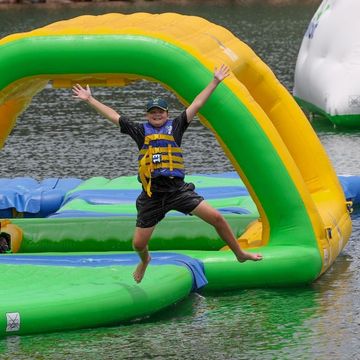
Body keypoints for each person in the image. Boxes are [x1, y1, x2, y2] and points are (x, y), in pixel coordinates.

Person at [72, 64, 262, 284]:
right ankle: (145, 260)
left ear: (166, 114)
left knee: (217, 218)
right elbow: (114, 116)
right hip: (152, 196)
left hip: (177, 191)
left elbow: (197, 104)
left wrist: (215, 81)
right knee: (138, 244)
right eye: (152, 112)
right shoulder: (140, 131)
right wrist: (89, 99)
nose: (156, 115)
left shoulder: (177, 126)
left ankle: (239, 253)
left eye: (160, 112)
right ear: (148, 115)